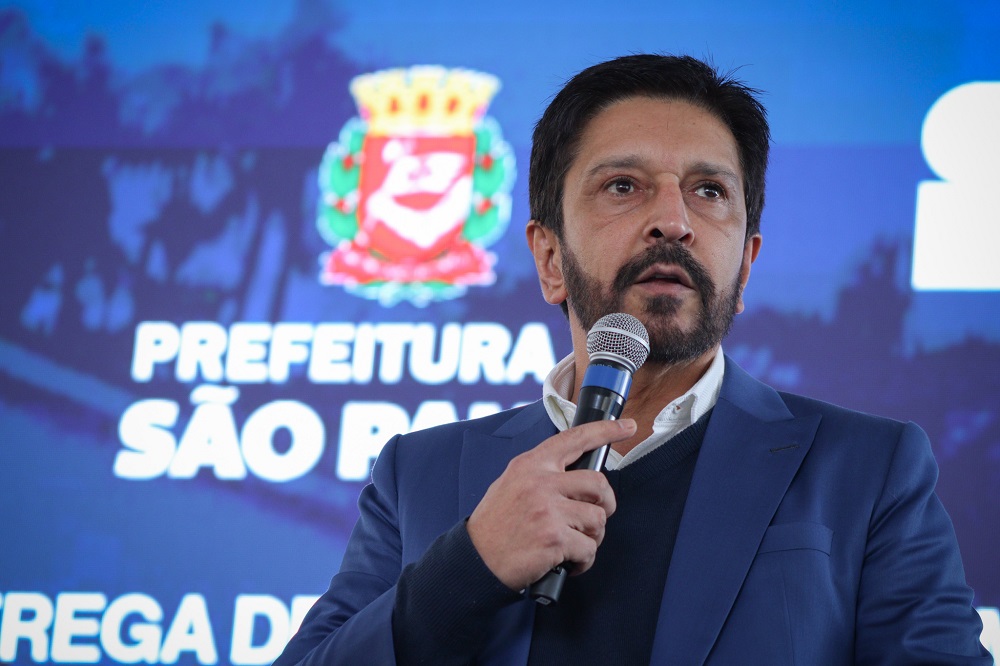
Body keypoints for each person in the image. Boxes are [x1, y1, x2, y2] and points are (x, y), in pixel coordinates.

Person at [273, 54, 990, 665]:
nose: (673, 221)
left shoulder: (869, 470)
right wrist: (471, 565)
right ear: (549, 258)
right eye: (624, 186)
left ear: (746, 266)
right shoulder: (419, 473)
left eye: (709, 191)